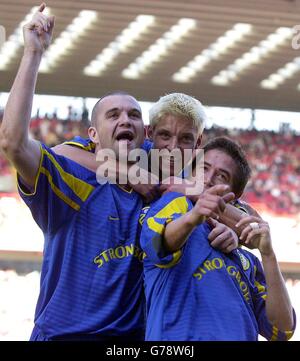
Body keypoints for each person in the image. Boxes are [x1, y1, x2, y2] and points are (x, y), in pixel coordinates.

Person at [0, 4, 146, 341]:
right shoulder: (72, 183)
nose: (125, 120)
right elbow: (13, 142)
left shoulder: (163, 189)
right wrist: (33, 53)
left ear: (145, 134)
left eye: (134, 115)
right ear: (91, 136)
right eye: (113, 115)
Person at [140, 136, 296, 341]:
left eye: (221, 176)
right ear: (190, 173)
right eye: (204, 168)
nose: (208, 178)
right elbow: (156, 246)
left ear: (234, 195)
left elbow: (282, 331)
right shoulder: (172, 207)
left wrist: (268, 254)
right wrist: (193, 218)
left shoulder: (247, 261)